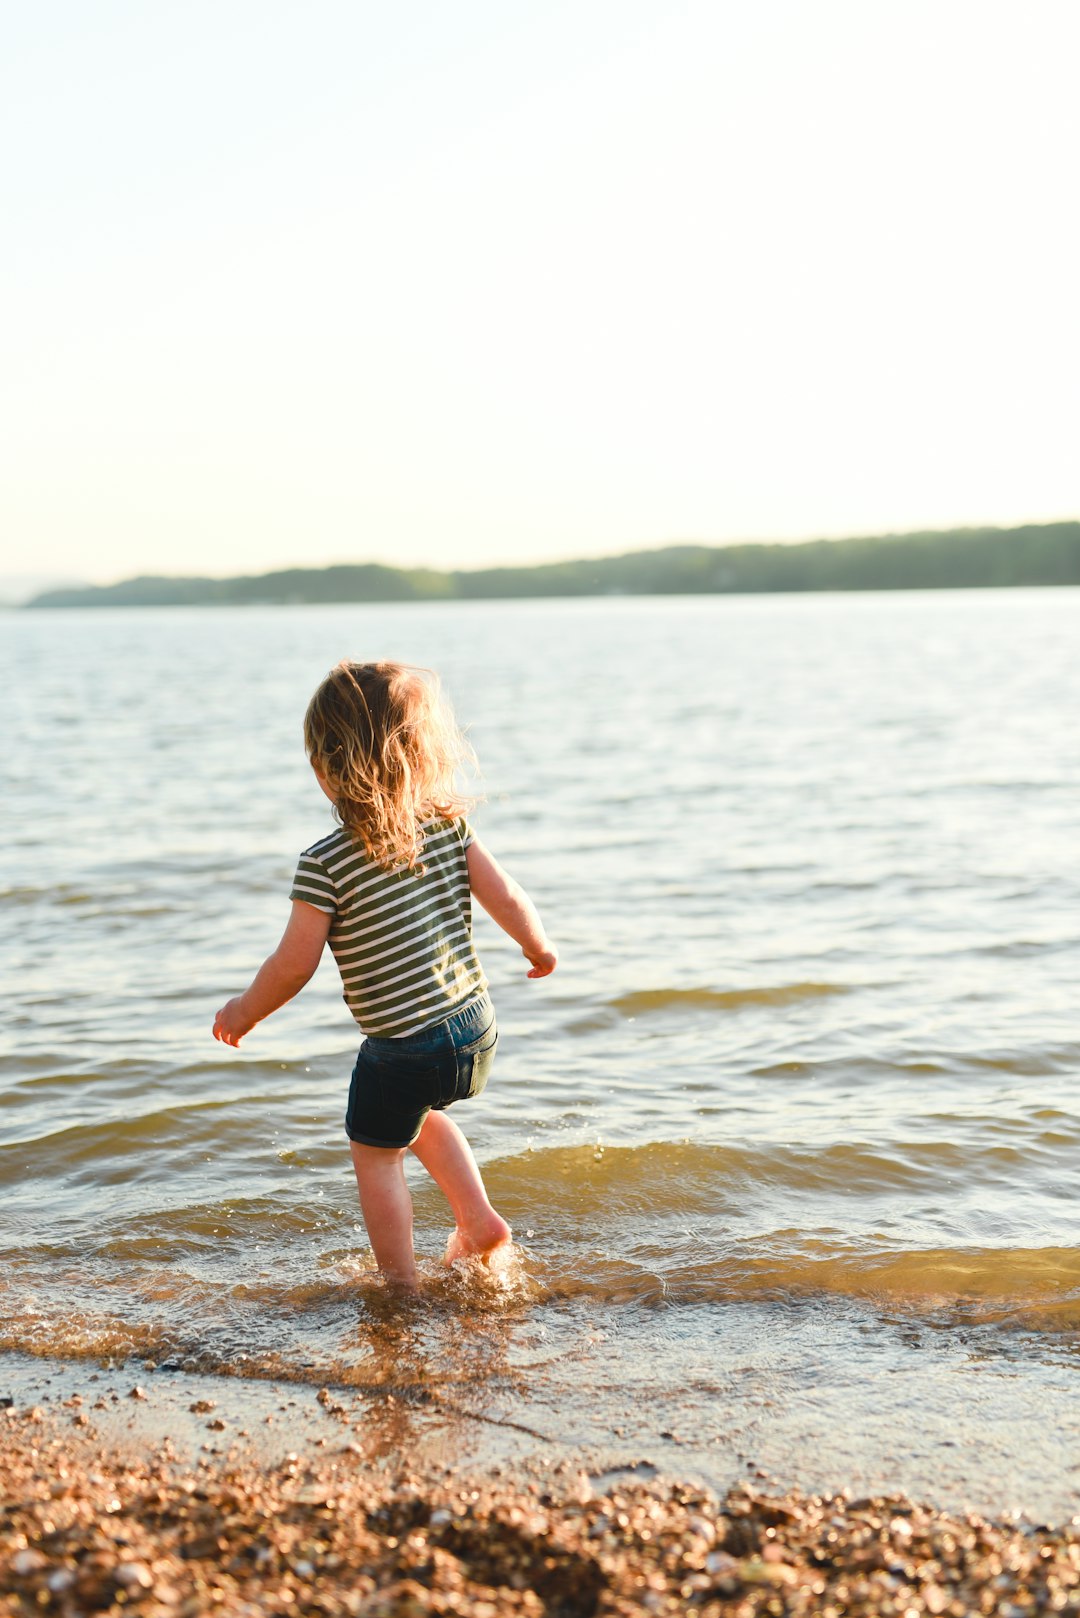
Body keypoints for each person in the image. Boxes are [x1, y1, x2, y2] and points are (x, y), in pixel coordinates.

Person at [212, 660, 557, 1290]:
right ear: (422, 756)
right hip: (474, 1027)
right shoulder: (448, 825)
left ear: (324, 771)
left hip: (403, 1046)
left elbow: (293, 964)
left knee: (375, 1154)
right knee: (416, 1115)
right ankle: (478, 1223)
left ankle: (400, 1286)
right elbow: (505, 894)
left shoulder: (325, 862)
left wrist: (245, 1010)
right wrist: (538, 947)